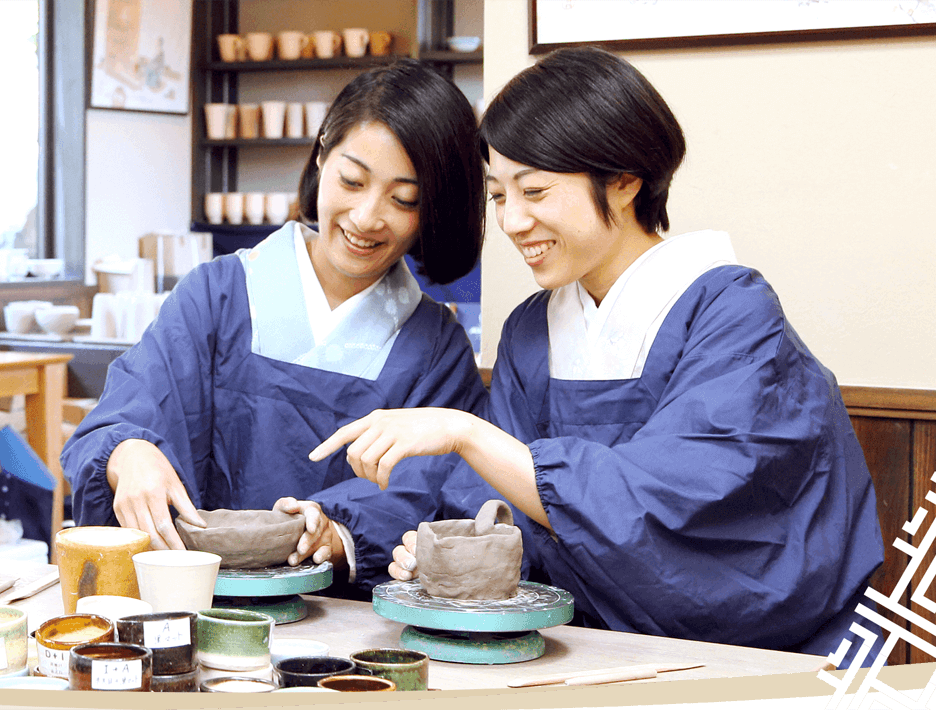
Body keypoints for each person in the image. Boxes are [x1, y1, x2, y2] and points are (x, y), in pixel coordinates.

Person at [310, 47, 884, 655]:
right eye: (499, 195)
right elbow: (493, 502)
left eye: (534, 190)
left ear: (624, 180)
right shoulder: (536, 330)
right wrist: (461, 550)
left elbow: (671, 504)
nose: (512, 221)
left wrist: (468, 434)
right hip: (581, 651)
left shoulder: (731, 313)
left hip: (752, 659)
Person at [61, 59, 484, 591]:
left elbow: (434, 493)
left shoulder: (436, 350)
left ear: (433, 211)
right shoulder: (216, 295)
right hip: (191, 603)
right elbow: (126, 410)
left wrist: (340, 533)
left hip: (344, 632)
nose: (366, 217)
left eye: (404, 200)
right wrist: (128, 453)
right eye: (351, 181)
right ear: (322, 152)